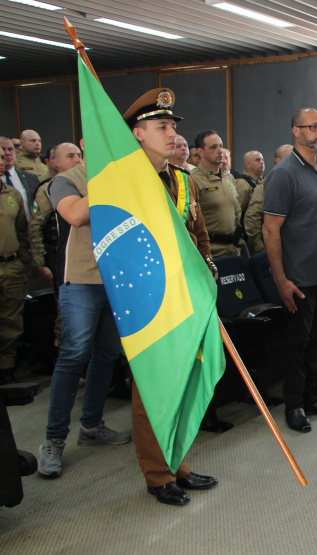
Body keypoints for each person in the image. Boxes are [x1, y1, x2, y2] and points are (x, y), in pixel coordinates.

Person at [123, 88, 218, 506]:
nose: (170, 133)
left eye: (172, 126)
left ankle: (178, 462)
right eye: (160, 126)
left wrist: (208, 272)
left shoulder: (182, 180)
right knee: (153, 388)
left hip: (187, 295)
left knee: (183, 382)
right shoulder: (126, 182)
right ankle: (157, 474)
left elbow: (198, 235)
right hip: (149, 300)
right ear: (138, 133)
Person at [38, 160, 132, 479]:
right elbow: (76, 214)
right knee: (74, 355)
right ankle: (53, 440)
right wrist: (108, 179)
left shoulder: (127, 172)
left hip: (116, 279)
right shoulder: (65, 181)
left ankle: (91, 426)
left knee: (106, 355)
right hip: (79, 280)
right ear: (83, 144)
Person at [263, 108, 317, 433]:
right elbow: (270, 230)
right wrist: (280, 278)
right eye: (312, 127)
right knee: (297, 343)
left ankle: (313, 396)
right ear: (295, 131)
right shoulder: (284, 174)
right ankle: (294, 405)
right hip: (298, 276)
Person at [29, 142, 83, 287]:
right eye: (70, 156)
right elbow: (36, 227)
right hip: (59, 257)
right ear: (55, 162)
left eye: (79, 155)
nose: (77, 160)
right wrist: (40, 263)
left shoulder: (88, 183)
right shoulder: (47, 189)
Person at [0, 148, 30, 385]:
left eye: (3, 157)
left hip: (10, 265)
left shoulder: (12, 194)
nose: (3, 161)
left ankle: (6, 367)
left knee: (12, 320)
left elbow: (22, 231)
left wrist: (23, 264)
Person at [190, 131, 241, 258]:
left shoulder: (229, 177)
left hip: (231, 248)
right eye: (213, 147)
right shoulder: (193, 179)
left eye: (221, 146)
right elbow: (190, 221)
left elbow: (236, 211)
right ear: (200, 152)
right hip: (209, 251)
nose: (220, 151)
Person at [245, 145, 293, 254]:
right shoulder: (267, 186)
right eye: (289, 159)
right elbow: (252, 219)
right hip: (276, 247)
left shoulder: (299, 182)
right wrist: (260, 247)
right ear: (278, 161)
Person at [1, 136, 39, 223]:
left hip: (28, 232)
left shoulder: (31, 178)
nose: (7, 153)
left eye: (10, 149)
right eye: (3, 149)